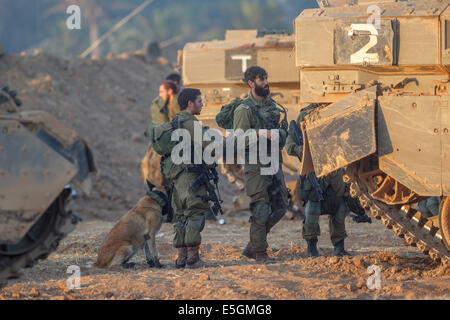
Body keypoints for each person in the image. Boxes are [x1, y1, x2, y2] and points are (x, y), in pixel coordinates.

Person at [233, 66, 289, 262]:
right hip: (256, 165)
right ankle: (259, 251)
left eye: (266, 78)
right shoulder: (244, 110)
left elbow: (283, 134)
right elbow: (238, 140)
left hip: (274, 162)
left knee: (281, 206)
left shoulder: (272, 107)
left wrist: (279, 135)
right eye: (261, 79)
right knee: (261, 207)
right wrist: (258, 133)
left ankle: (253, 244)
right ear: (251, 83)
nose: (266, 83)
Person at [285, 106, 350, 257]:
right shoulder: (306, 114)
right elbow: (289, 144)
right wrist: (298, 148)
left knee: (339, 208)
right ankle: (311, 247)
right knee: (312, 211)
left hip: (334, 170)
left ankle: (339, 247)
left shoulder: (338, 107)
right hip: (313, 170)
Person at [163, 88, 217, 269]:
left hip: (177, 177)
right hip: (191, 176)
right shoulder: (191, 123)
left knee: (181, 215)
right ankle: (193, 258)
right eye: (200, 101)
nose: (202, 104)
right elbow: (210, 148)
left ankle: (181, 258)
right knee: (195, 212)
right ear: (190, 104)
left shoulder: (175, 121)